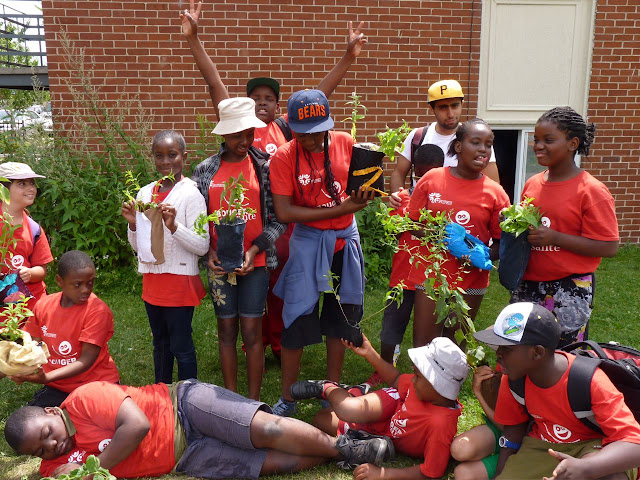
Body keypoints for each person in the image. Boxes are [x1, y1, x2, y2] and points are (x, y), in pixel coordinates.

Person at [180, 0, 368, 363]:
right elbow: (214, 82)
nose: (262, 103)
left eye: (269, 98)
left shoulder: (286, 129)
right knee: (255, 291)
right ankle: (258, 345)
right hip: (247, 228)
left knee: (279, 293)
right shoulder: (240, 133)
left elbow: (320, 97)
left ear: (280, 108)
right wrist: (194, 39)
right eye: (255, 98)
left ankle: (280, 348)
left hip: (284, 229)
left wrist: (348, 57)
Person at [5, 379, 395, 479]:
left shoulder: (84, 399)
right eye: (40, 450)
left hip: (183, 406)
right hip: (186, 457)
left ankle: (346, 448)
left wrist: (96, 470)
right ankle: (344, 450)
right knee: (274, 464)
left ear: (52, 411)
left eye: (46, 433)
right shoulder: (52, 467)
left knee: (269, 429)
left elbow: (137, 425)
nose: (50, 445)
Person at [268, 89, 374, 416]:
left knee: (339, 319)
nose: (312, 140)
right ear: (291, 128)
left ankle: (332, 390)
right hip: (309, 243)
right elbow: (284, 212)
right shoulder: (284, 157)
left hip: (344, 242)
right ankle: (288, 397)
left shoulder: (345, 143)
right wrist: (340, 209)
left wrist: (369, 192)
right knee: (297, 317)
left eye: (318, 132)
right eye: (303, 134)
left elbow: (362, 189)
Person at [473, 302, 640, 480]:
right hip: (543, 446)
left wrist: (586, 468)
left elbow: (634, 444)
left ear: (537, 352)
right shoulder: (514, 379)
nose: (498, 354)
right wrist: (500, 475)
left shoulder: (588, 380)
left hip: (595, 446)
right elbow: (513, 431)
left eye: (507, 348)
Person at [192, 97, 285, 401]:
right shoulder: (206, 171)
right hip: (219, 265)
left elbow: (278, 220)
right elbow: (196, 220)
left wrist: (255, 250)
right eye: (236, 135)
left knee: (252, 332)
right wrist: (208, 253)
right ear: (223, 134)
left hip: (255, 264)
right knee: (226, 331)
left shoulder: (265, 167)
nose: (244, 141)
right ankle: (231, 401)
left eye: (249, 134)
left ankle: (253, 400)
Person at [509, 106, 619, 347]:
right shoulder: (532, 183)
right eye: (536, 139)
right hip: (527, 283)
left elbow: (609, 246)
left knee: (562, 354)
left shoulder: (591, 190)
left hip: (569, 287)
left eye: (548, 140)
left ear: (572, 143)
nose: (538, 146)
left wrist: (556, 237)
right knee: (518, 349)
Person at [291, 334, 468, 479]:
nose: (413, 379)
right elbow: (396, 379)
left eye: (417, 375)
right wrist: (370, 353)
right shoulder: (420, 389)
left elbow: (430, 473)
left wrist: (384, 474)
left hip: (382, 433)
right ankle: (327, 387)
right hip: (391, 403)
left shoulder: (441, 425)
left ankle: (355, 394)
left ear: (437, 385)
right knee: (346, 408)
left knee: (321, 419)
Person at [406, 118, 510, 347]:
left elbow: (502, 243)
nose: (483, 149)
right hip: (432, 276)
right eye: (476, 142)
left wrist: (478, 256)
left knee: (455, 347)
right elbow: (411, 223)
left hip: (471, 280)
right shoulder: (432, 179)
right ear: (459, 146)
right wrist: (442, 237)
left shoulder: (496, 193)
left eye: (488, 144)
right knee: (424, 347)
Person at [121, 130, 209, 384]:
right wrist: (133, 225)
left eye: (172, 155)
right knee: (160, 342)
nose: (166, 161)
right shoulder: (145, 193)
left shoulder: (191, 194)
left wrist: (174, 227)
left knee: (180, 344)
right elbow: (140, 248)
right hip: (153, 282)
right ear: (153, 158)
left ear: (184, 157)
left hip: (179, 283)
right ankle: (161, 391)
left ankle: (188, 394)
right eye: (159, 156)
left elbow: (202, 245)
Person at [366, 144, 445, 387]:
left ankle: (426, 372)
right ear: (414, 172)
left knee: (429, 330)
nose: (426, 180)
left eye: (433, 173)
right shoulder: (403, 199)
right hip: (403, 277)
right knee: (391, 326)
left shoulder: (446, 203)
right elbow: (392, 232)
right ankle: (385, 367)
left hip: (432, 279)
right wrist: (395, 209)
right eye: (421, 174)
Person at [5, 250, 119, 407]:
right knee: (29, 422)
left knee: (91, 421)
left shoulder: (97, 311)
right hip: (59, 387)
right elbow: (30, 346)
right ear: (60, 281)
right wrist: (12, 368)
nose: (86, 289)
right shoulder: (44, 306)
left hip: (96, 384)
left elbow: (86, 360)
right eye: (77, 284)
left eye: (90, 282)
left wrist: (47, 378)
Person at [389, 79, 500, 197]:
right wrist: (398, 196)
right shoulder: (417, 136)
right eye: (443, 107)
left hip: (463, 207)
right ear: (431, 108)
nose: (450, 114)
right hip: (421, 206)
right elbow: (398, 173)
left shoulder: (477, 139)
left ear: (462, 104)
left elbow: (493, 186)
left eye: (455, 105)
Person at [0, 162, 53, 310]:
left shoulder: (34, 229)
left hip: (31, 307)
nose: (31, 188)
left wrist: (30, 273)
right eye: (22, 183)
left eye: (32, 183)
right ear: (3, 189)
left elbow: (41, 269)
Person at [450, 365, 504, 480]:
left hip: (523, 444)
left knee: (463, 474)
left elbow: (514, 430)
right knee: (459, 448)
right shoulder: (508, 363)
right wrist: (478, 391)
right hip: (501, 427)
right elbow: (504, 426)